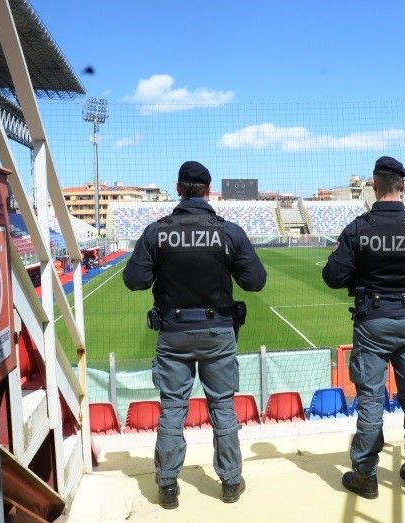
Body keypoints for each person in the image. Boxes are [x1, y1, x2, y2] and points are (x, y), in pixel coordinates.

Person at [123, 161, 267, 509]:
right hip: (217, 331)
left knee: (173, 406)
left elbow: (134, 281)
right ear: (208, 189)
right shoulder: (227, 232)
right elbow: (255, 281)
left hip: (173, 333)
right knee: (223, 406)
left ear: (178, 189)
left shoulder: (157, 232)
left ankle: (168, 485)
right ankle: (231, 482)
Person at [322, 156, 405, 499]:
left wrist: (361, 270)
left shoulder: (358, 228)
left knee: (370, 401)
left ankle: (366, 476)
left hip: (372, 324)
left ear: (374, 185)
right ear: (403, 186)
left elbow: (333, 277)